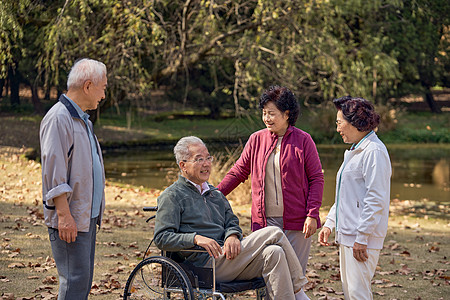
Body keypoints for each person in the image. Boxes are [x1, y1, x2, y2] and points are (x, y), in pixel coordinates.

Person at [154, 136, 310, 300]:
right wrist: (196, 239)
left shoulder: (215, 194)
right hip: (204, 266)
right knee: (274, 232)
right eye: (199, 159)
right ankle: (298, 290)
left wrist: (232, 235)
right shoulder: (172, 196)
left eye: (208, 158)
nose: (206, 164)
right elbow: (161, 238)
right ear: (183, 165)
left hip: (229, 257)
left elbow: (231, 222)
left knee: (274, 252)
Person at [217, 85, 324, 274]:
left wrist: (312, 214)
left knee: (294, 275)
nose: (267, 118)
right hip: (265, 222)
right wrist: (214, 194)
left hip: (297, 222)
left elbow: (316, 178)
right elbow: (238, 172)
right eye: (264, 113)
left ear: (287, 114)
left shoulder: (304, 140)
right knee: (268, 274)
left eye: (272, 113)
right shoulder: (256, 139)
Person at [40, 58, 107, 299]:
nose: (103, 95)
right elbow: (53, 171)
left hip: (84, 216)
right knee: (74, 283)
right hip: (71, 217)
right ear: (88, 86)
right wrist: (64, 215)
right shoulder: (59, 118)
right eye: (103, 88)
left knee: (82, 282)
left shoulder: (81, 119)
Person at [318, 96, 391, 300]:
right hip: (349, 235)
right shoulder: (354, 150)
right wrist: (330, 223)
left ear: (355, 122)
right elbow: (344, 195)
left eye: (339, 123)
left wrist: (362, 237)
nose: (338, 128)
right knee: (351, 293)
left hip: (361, 239)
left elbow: (376, 199)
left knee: (358, 294)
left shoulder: (374, 152)